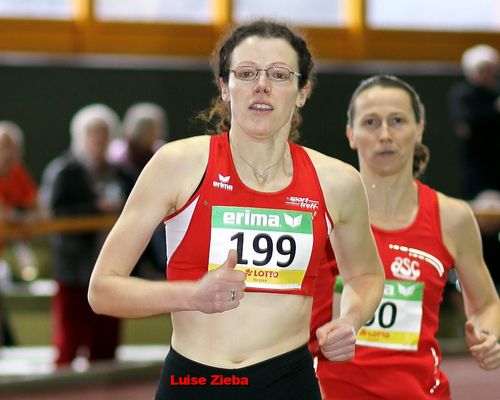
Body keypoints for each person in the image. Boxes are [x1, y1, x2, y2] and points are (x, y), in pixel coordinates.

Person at [88, 19, 385, 400]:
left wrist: (351, 320)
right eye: (246, 73)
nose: (261, 85)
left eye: (279, 74)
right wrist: (192, 296)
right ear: (225, 87)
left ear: (302, 91)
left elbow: (365, 275)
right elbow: (103, 290)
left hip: (288, 382)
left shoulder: (337, 181)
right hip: (195, 381)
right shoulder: (178, 164)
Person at [311, 75, 500, 399]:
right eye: (370, 122)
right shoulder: (320, 211)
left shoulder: (452, 218)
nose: (384, 134)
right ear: (351, 134)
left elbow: (486, 304)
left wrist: (487, 335)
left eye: (397, 121)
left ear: (419, 128)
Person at [39, 104, 133, 367]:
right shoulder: (63, 172)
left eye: (103, 133)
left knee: (105, 344)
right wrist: (95, 209)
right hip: (73, 269)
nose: (98, 139)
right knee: (69, 341)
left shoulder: (122, 174)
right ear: (79, 135)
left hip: (112, 268)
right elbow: (54, 214)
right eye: (92, 132)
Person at [448, 44, 500, 289]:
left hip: (495, 174)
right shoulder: (464, 96)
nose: (487, 74)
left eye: (491, 69)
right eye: (482, 69)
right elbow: (470, 127)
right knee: (480, 230)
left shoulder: (494, 95)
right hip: (478, 179)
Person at [110, 102, 169, 276]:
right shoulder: (118, 155)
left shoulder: (161, 152)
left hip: (155, 214)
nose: (147, 133)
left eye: (151, 128)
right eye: (143, 128)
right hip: (124, 213)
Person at [0, 120, 39, 346]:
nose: (9, 153)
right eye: (4, 146)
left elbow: (40, 209)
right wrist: (20, 218)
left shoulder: (16, 172)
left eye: (14, 147)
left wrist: (23, 219)